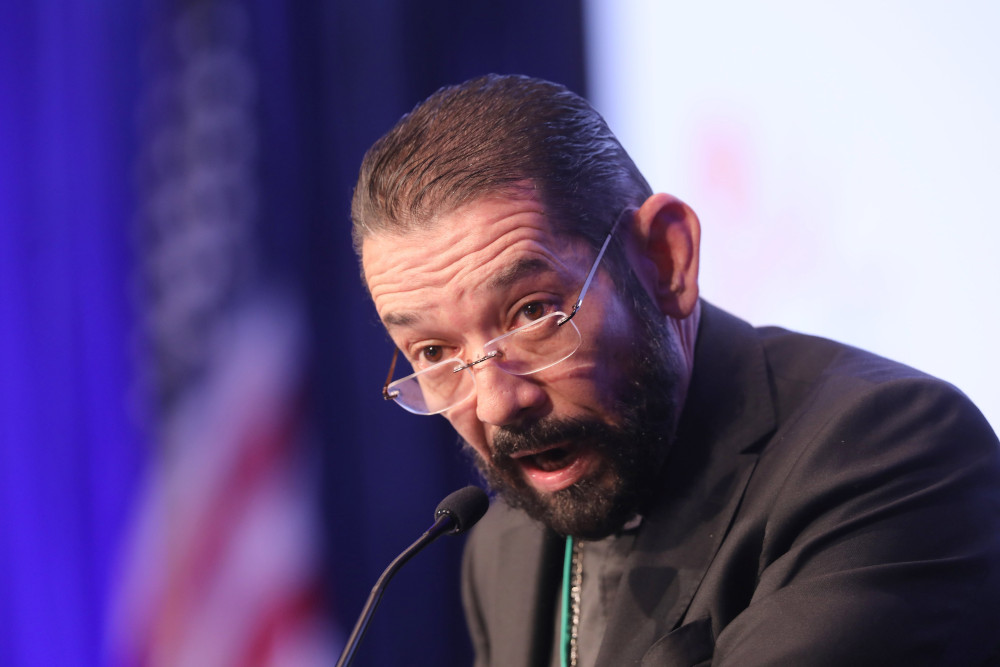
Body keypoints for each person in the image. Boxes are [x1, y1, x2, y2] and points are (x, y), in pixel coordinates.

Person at [351, 74, 1000, 666]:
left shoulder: (887, 454)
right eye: (433, 353)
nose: (495, 402)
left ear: (665, 259)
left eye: (533, 311)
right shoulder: (503, 548)